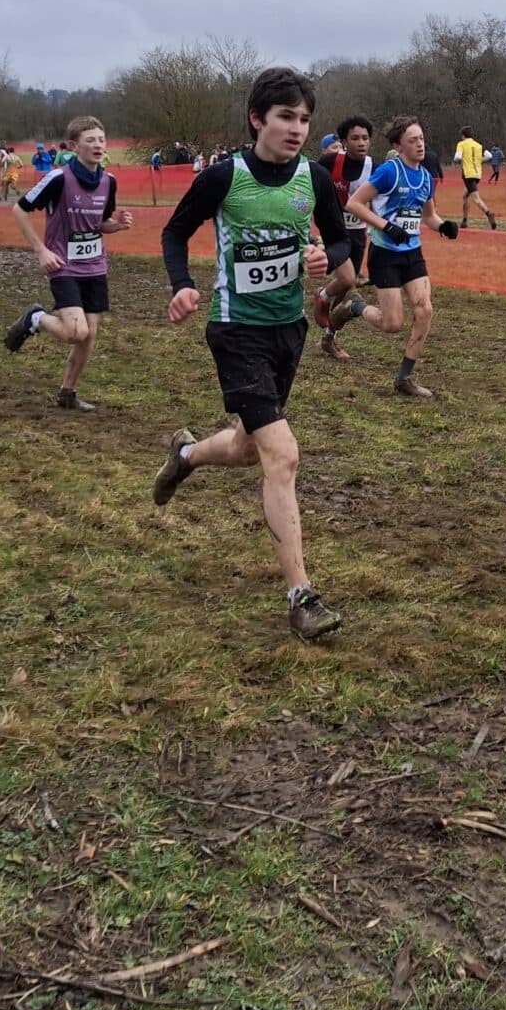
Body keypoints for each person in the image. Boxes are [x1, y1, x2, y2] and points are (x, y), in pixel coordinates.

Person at [149, 66, 356, 644]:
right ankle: (301, 597)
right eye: (286, 117)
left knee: (248, 447)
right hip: (236, 330)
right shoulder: (224, 177)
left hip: (288, 330)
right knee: (282, 454)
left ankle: (186, 455)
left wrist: (325, 257)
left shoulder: (314, 178)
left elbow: (340, 238)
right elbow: (174, 232)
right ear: (257, 119)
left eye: (305, 119)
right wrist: (180, 285)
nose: (297, 129)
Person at [3, 117, 133, 409]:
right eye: (90, 140)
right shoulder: (58, 178)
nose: (98, 145)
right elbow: (19, 210)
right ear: (74, 146)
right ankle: (36, 317)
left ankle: (67, 393)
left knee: (89, 336)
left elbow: (100, 224)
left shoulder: (108, 181)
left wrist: (117, 225)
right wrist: (41, 250)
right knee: (76, 332)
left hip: (95, 266)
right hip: (64, 266)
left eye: (101, 139)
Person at [324, 115, 458, 397]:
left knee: (424, 310)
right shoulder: (389, 172)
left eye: (421, 139)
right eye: (413, 140)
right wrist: (385, 226)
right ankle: (355, 307)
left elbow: (429, 216)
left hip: (412, 253)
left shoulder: (425, 177)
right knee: (392, 324)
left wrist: (443, 226)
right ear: (398, 146)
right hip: (384, 254)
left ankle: (404, 378)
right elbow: (354, 204)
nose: (420, 145)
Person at [314, 114, 374, 360]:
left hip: (358, 232)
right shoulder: (330, 161)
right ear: (344, 142)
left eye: (365, 138)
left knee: (346, 286)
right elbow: (311, 186)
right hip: (335, 231)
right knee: (346, 278)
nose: (361, 143)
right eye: (355, 138)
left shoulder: (373, 166)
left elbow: (380, 198)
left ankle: (329, 337)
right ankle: (323, 297)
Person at [452, 128, 498, 230]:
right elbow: (489, 156)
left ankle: (489, 213)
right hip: (477, 174)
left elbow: (457, 157)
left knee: (476, 199)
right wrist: (479, 160)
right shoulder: (478, 145)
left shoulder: (461, 144)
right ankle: (464, 221)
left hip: (468, 174)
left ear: (463, 135)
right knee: (465, 196)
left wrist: (461, 160)